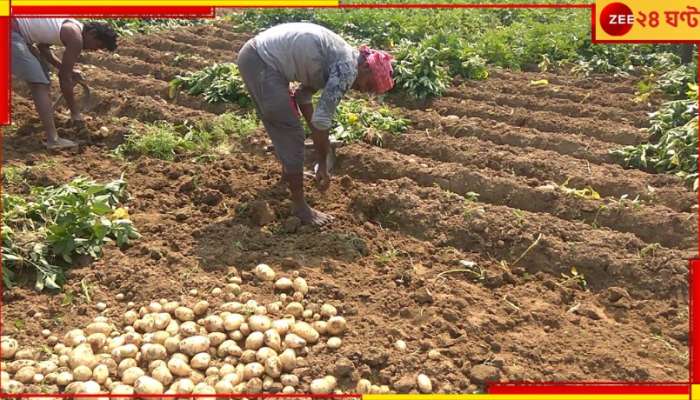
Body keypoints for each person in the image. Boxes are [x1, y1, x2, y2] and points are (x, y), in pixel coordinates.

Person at [237, 22, 394, 226]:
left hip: (256, 58)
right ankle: (300, 207)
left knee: (283, 123)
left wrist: (320, 147)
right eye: (369, 85)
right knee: (291, 133)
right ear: (365, 67)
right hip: (262, 62)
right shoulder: (347, 69)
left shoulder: (340, 58)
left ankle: (289, 175)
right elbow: (321, 121)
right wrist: (322, 161)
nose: (364, 91)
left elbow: (303, 96)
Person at [11, 18, 118, 149]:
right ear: (93, 33)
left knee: (43, 78)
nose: (94, 50)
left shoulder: (70, 26)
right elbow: (64, 77)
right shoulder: (76, 38)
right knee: (40, 84)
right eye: (98, 45)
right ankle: (53, 140)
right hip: (10, 31)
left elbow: (43, 48)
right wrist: (75, 112)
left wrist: (67, 69)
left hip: (17, 32)